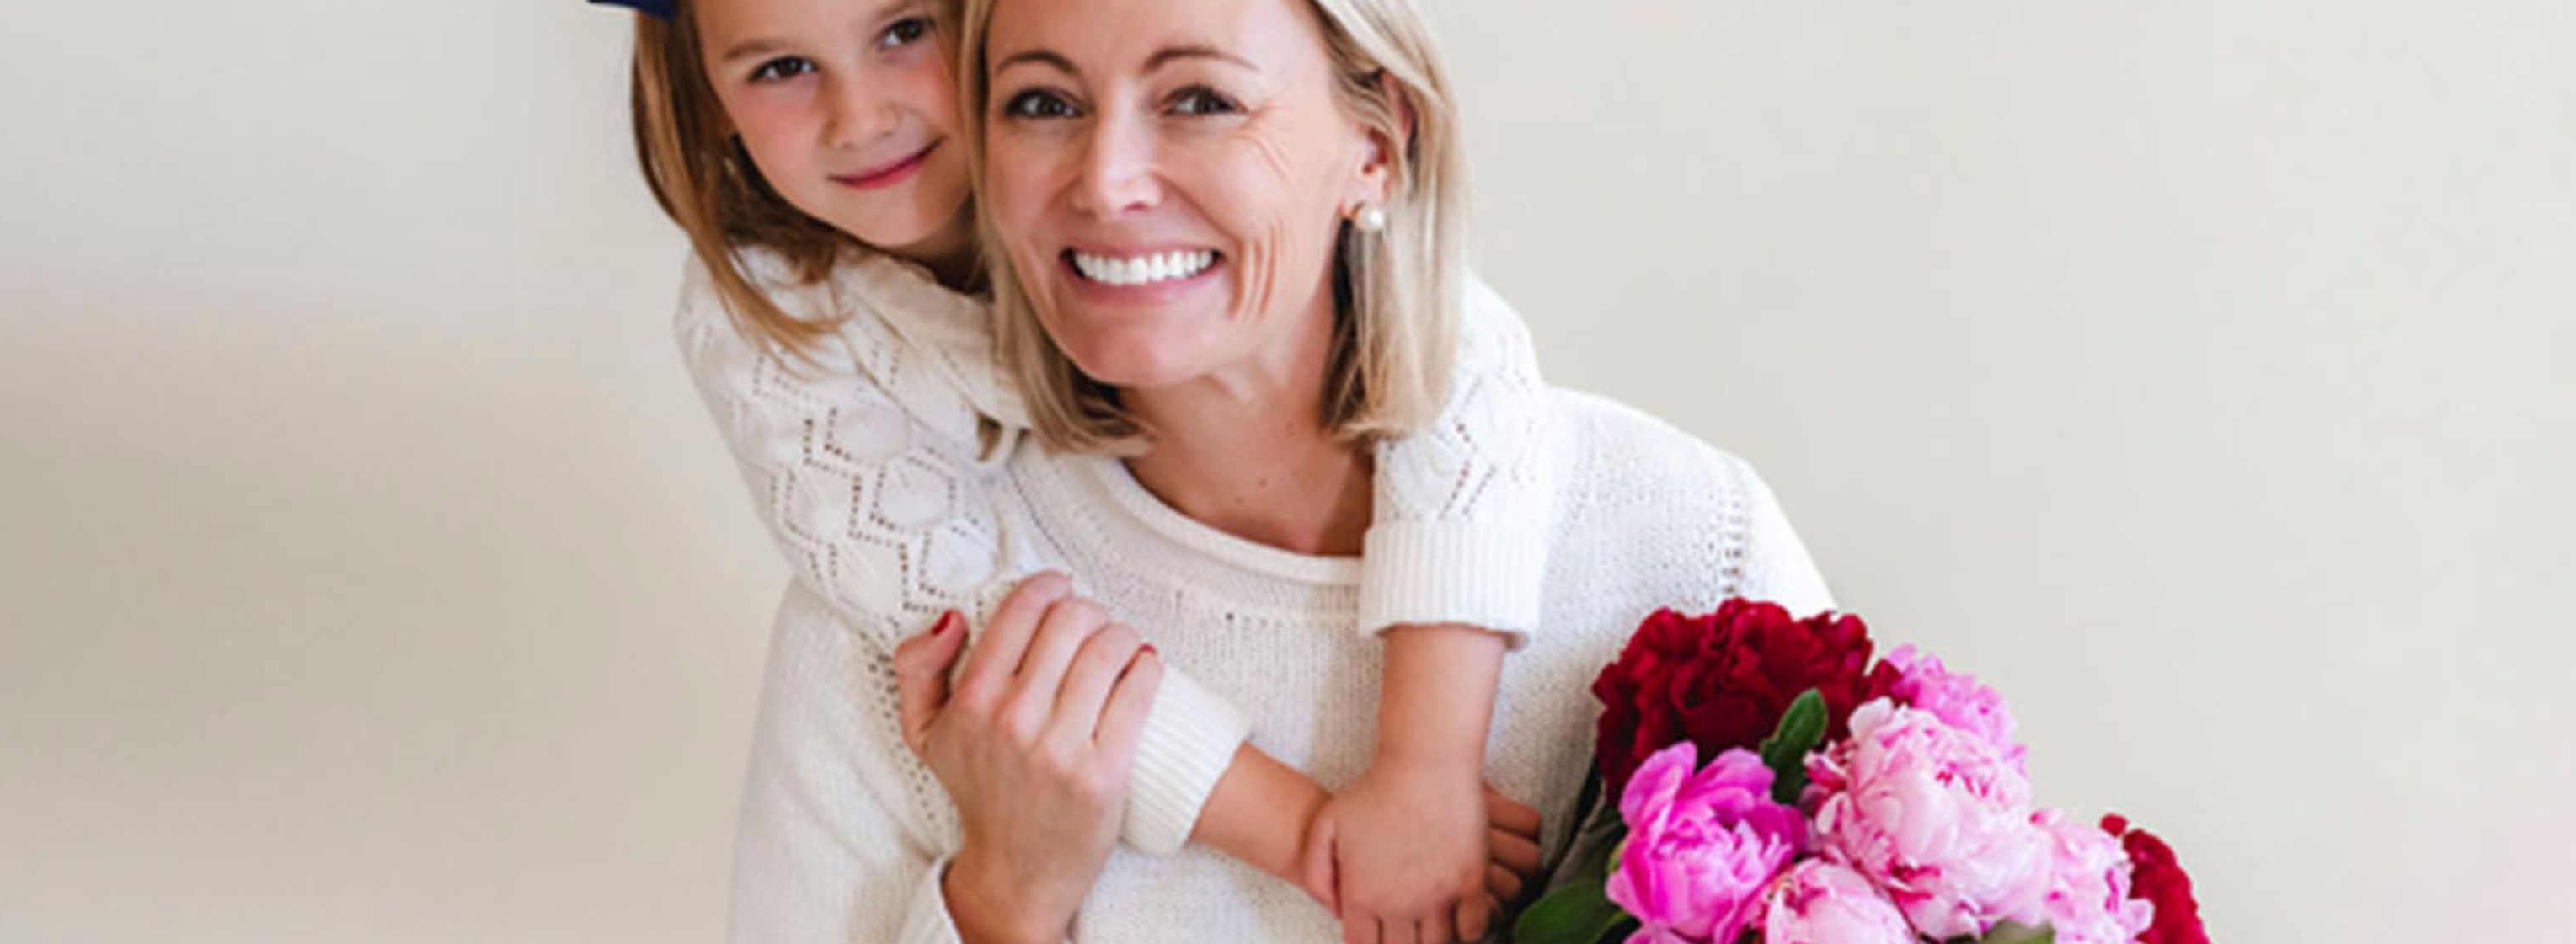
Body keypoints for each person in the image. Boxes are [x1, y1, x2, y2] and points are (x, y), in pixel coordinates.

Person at [772, 0, 1843, 939]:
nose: (1104, 182)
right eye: (1042, 105)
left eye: (1198, 98)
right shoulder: (904, 615)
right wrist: (1005, 901)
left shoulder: (1684, 532)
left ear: (1376, 142)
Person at [595, 0, 1559, 938]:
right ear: (705, 96)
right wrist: (1308, 833)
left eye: (902, 32)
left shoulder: (1595, 480)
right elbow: (989, 636)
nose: (863, 118)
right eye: (780, 67)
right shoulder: (769, 327)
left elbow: (1459, 357)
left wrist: (1424, 768)